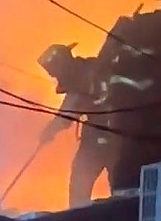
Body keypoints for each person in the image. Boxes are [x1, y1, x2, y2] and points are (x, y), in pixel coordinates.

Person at [104, 0, 161, 192]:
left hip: (124, 102)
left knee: (131, 150)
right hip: (148, 101)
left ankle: (126, 193)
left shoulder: (141, 25)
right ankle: (144, 193)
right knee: (155, 148)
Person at [35, 42, 119, 208]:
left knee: (80, 183)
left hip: (98, 139)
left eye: (54, 73)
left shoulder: (78, 80)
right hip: (121, 135)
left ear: (61, 66)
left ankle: (78, 217)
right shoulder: (95, 67)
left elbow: (67, 115)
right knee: (121, 186)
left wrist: (50, 131)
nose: (55, 77)